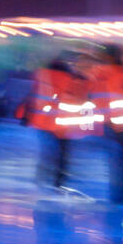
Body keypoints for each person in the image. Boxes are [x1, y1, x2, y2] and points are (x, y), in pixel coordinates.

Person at [20, 53, 89, 192]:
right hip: (62, 123)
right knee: (63, 152)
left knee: (46, 151)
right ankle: (58, 180)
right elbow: (76, 99)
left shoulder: (41, 75)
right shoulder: (70, 79)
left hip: (41, 120)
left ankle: (42, 177)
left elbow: (33, 95)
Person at [89, 44, 123, 205]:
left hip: (104, 123)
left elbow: (91, 98)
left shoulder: (96, 74)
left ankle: (118, 193)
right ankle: (119, 195)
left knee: (114, 161)